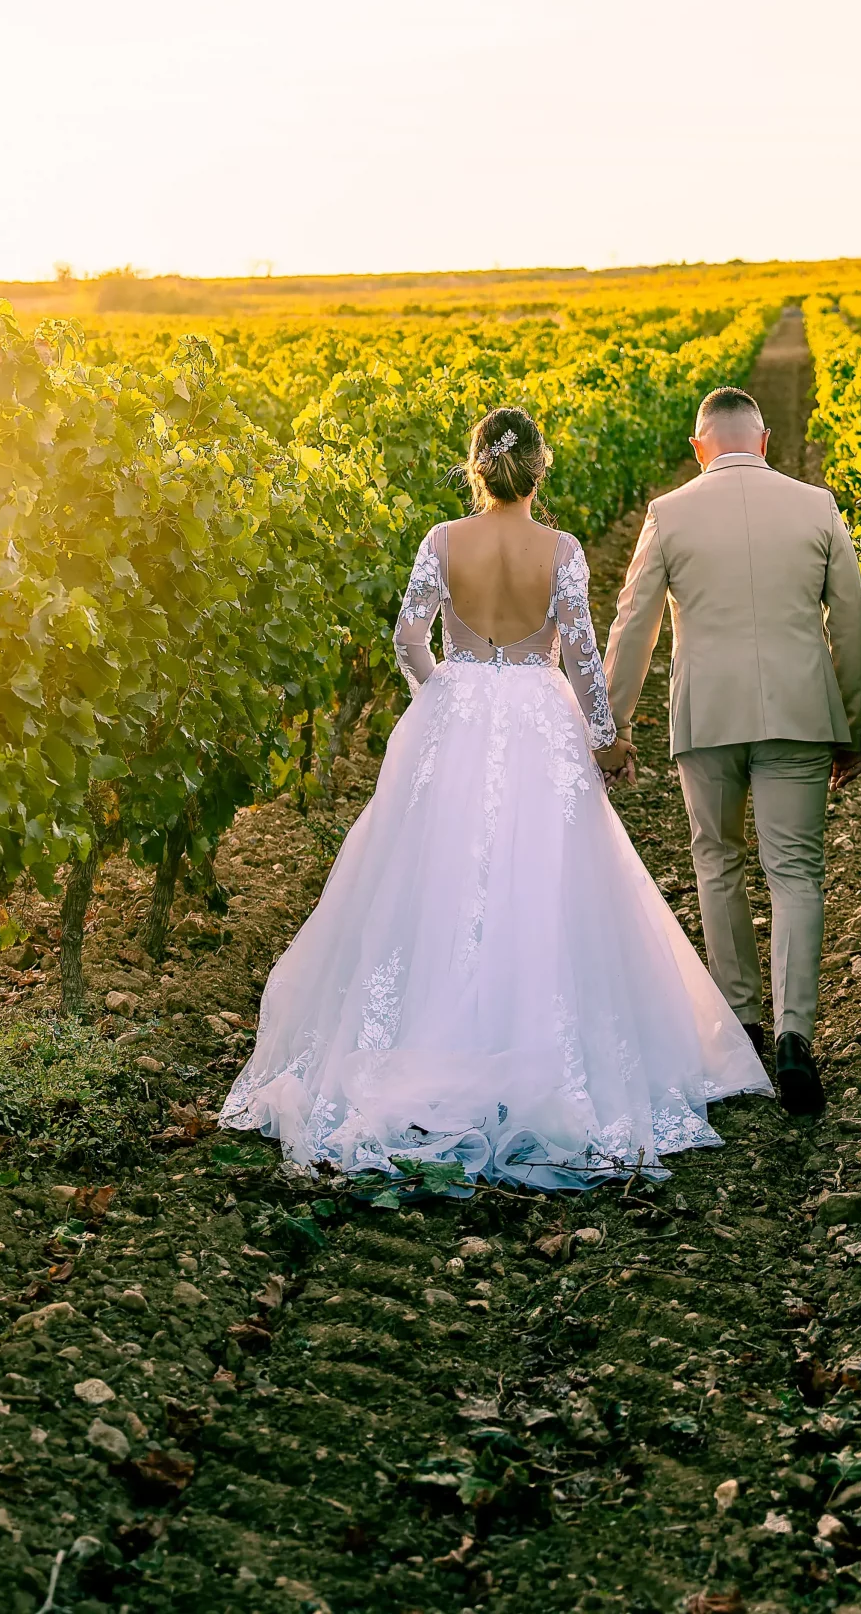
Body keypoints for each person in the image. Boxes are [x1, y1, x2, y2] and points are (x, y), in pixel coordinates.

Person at [219, 404, 772, 1188]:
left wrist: (441, 695)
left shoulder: (442, 541)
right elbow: (581, 655)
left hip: (458, 711)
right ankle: (539, 1049)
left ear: (475, 467)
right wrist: (605, 738)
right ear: (538, 470)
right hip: (539, 715)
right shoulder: (561, 550)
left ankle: (430, 1041)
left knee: (439, 878)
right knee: (544, 878)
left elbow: (407, 637)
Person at [603, 385, 861, 1118]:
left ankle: (741, 1025)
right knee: (796, 871)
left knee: (716, 861)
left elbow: (633, 626)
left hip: (707, 716)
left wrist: (612, 728)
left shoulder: (668, 513)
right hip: (798, 713)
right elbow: (851, 624)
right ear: (764, 441)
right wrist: (850, 727)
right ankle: (794, 1036)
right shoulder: (817, 506)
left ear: (700, 447)